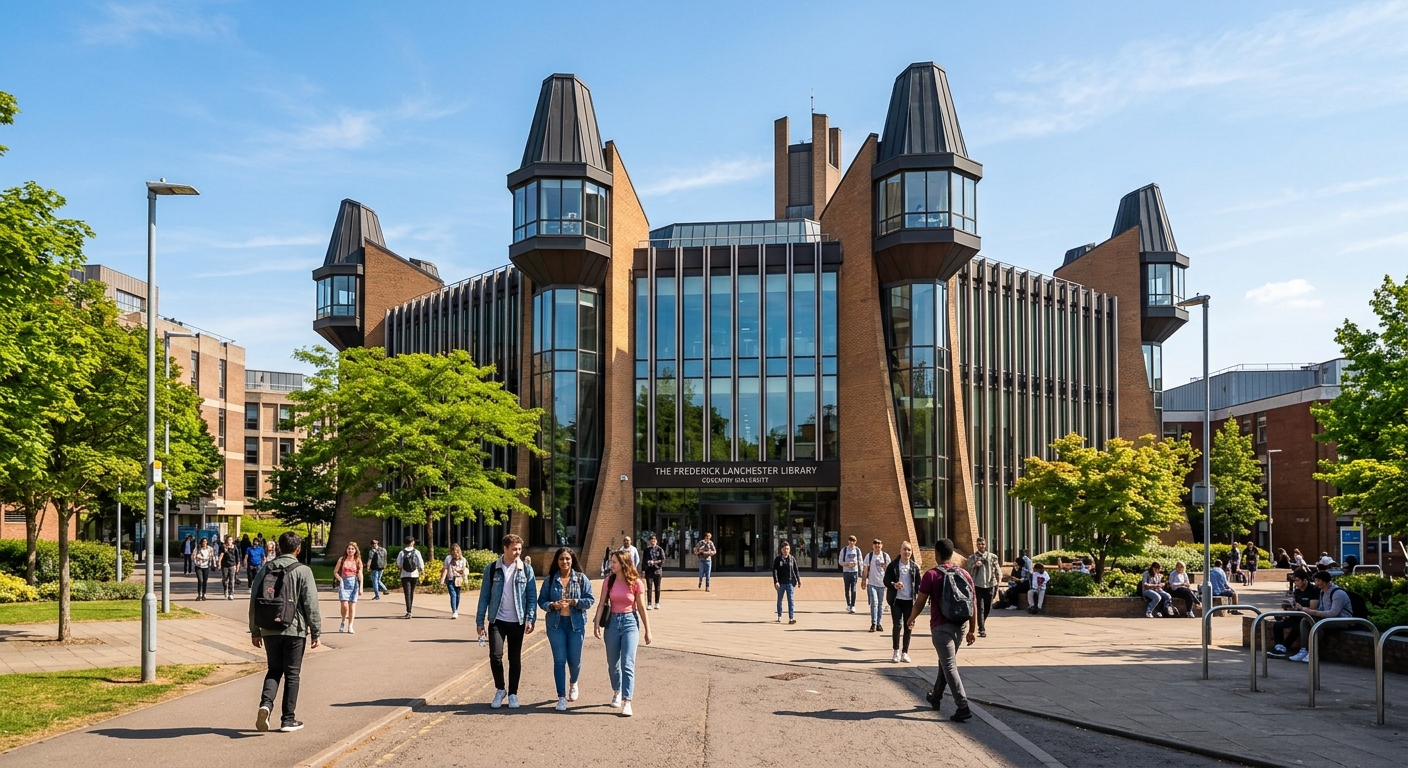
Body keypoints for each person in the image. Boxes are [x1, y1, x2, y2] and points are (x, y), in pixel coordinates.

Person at [248, 531, 321, 733]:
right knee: (292, 674)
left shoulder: (265, 569)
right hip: (294, 628)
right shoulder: (303, 570)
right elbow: (310, 603)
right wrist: (315, 630)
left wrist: (255, 630)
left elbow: (254, 600)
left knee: (274, 669)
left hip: (269, 628)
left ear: (279, 547)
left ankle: (265, 705)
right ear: (298, 549)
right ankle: (288, 719)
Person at [908, 538, 976, 722]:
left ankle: (962, 706)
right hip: (960, 627)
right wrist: (972, 629)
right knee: (945, 664)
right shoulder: (964, 574)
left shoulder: (931, 575)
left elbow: (920, 601)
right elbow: (973, 603)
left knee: (948, 666)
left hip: (941, 627)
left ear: (937, 554)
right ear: (952, 553)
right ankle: (936, 697)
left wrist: (911, 618)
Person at [476, 534, 537, 709]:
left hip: (517, 620)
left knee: (514, 658)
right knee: (495, 656)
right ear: (505, 548)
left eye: (519, 549)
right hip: (497, 619)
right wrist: (480, 621)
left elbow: (531, 596)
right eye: (514, 549)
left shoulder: (525, 569)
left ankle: (513, 694)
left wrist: (530, 618)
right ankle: (500, 689)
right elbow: (484, 596)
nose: (518, 552)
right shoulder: (492, 569)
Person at [593, 550, 652, 717]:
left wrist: (648, 630)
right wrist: (597, 623)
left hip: (630, 623)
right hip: (611, 623)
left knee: (628, 663)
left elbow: (641, 607)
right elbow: (602, 603)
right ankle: (616, 691)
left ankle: (627, 701)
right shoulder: (608, 581)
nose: (611, 565)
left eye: (614, 562)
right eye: (611, 562)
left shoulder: (636, 582)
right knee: (613, 664)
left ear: (623, 563)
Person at [538, 547, 595, 711]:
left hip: (575, 625)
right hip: (556, 625)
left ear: (572, 561)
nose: (565, 562)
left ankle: (573, 683)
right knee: (559, 660)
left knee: (575, 661)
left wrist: (575, 602)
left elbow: (590, 600)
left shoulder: (581, 578)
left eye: (568, 559)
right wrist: (552, 605)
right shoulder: (550, 580)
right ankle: (561, 697)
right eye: (562, 559)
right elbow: (541, 601)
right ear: (557, 561)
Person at [1289, 570, 1353, 662]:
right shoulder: (1322, 592)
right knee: (1305, 620)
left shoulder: (1338, 593)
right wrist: (1310, 611)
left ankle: (1313, 652)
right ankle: (1304, 649)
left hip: (1342, 620)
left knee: (1318, 624)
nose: (1316, 583)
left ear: (1325, 581)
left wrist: (1314, 613)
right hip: (1328, 619)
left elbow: (1333, 613)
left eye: (1318, 581)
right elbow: (1321, 608)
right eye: (1315, 581)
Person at [1268, 569, 1319, 659]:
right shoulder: (1297, 591)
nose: (1296, 583)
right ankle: (1279, 646)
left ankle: (1285, 647)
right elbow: (1295, 605)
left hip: (1307, 617)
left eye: (1297, 580)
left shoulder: (1313, 590)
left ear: (1305, 580)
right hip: (1297, 614)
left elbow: (1313, 608)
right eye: (1294, 581)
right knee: (1277, 624)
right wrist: (1287, 607)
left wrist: (1300, 608)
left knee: (1297, 626)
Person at [884, 542, 921, 662]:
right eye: (905, 549)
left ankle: (905, 652)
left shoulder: (914, 567)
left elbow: (919, 585)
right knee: (897, 625)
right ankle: (896, 651)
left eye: (909, 550)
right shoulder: (893, 565)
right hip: (897, 600)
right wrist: (894, 584)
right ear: (900, 551)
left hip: (909, 601)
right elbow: (886, 580)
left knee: (908, 626)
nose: (907, 552)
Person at [965, 537, 1001, 638]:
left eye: (983, 544)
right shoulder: (972, 557)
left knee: (987, 607)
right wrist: (975, 565)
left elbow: (997, 569)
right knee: (979, 607)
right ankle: (981, 629)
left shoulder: (992, 556)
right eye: (979, 544)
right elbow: (968, 571)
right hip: (977, 585)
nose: (981, 546)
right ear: (977, 545)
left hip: (990, 584)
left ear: (986, 545)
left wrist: (999, 580)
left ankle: (981, 623)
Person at [334, 542, 362, 633]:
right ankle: (343, 621)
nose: (350, 550)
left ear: (355, 550)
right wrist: (340, 579)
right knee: (344, 604)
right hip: (344, 582)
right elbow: (335, 572)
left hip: (354, 583)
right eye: (349, 549)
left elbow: (360, 573)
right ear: (346, 550)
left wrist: (361, 587)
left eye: (352, 549)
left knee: (352, 605)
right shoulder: (342, 559)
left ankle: (350, 625)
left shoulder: (357, 560)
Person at [864, 539, 891, 632]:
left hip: (882, 584)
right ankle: (873, 623)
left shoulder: (885, 556)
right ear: (873, 546)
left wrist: (886, 567)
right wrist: (864, 580)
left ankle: (879, 623)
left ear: (881, 545)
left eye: (879, 544)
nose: (877, 546)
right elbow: (865, 568)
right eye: (875, 544)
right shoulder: (869, 556)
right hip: (872, 583)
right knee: (874, 602)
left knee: (880, 604)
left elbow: (890, 569)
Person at [772, 541, 801, 624]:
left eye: (788, 549)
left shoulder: (792, 559)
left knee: (791, 600)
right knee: (780, 600)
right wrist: (776, 581)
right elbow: (774, 571)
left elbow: (796, 570)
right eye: (784, 549)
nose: (786, 551)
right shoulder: (778, 559)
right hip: (780, 583)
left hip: (789, 583)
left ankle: (791, 618)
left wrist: (798, 580)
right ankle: (779, 615)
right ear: (781, 550)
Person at [397, 537, 423, 619]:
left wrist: (400, 568)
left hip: (405, 575)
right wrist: (422, 570)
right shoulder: (416, 552)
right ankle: (410, 609)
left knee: (407, 593)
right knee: (411, 592)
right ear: (412, 542)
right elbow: (420, 562)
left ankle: (409, 611)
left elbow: (399, 563)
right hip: (414, 575)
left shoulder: (402, 552)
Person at [441, 543, 468, 619]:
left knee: (458, 595)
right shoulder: (448, 558)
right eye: (453, 552)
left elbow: (463, 570)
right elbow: (445, 568)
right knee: (453, 595)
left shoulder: (463, 559)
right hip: (450, 580)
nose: (455, 554)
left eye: (457, 552)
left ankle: (456, 609)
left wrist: (458, 571)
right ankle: (454, 611)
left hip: (458, 579)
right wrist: (442, 579)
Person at [839, 535, 862, 614]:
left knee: (854, 589)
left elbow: (860, 561)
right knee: (847, 589)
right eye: (850, 541)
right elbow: (840, 561)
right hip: (846, 572)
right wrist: (847, 564)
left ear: (855, 542)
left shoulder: (857, 550)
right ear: (848, 541)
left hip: (854, 572)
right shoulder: (844, 550)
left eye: (853, 541)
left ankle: (853, 605)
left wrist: (860, 571)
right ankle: (848, 604)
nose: (852, 542)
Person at [641, 535, 665, 610]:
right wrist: (643, 570)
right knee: (649, 587)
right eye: (651, 541)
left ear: (656, 541)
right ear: (649, 541)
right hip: (649, 571)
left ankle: (657, 602)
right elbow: (644, 560)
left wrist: (654, 562)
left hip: (657, 571)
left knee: (657, 587)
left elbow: (663, 560)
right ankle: (649, 603)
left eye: (654, 540)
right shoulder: (646, 550)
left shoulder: (660, 549)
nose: (652, 542)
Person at [219, 535, 240, 600]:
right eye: (228, 540)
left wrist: (238, 566)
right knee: (225, 579)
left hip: (232, 565)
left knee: (232, 580)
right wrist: (219, 562)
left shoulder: (235, 547)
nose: (230, 541)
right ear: (226, 540)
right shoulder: (224, 547)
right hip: (225, 565)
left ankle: (231, 594)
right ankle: (225, 590)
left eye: (231, 540)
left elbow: (237, 557)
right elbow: (221, 555)